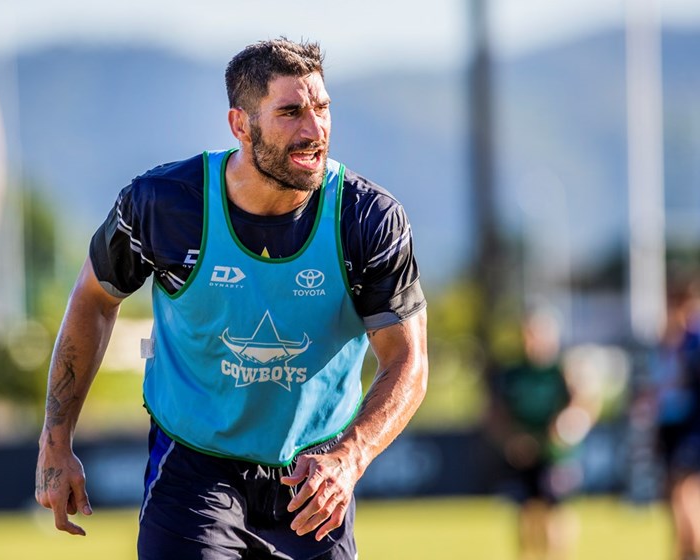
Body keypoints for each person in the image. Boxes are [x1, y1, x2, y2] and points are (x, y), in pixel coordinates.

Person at [35, 38, 429, 559]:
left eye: (322, 108)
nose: (314, 130)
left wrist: (349, 458)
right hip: (195, 473)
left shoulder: (369, 219)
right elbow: (92, 299)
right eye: (290, 112)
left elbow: (407, 360)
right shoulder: (164, 204)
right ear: (241, 125)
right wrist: (56, 440)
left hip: (315, 479)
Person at [485, 307, 598, 560]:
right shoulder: (512, 373)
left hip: (557, 455)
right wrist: (511, 440)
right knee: (526, 515)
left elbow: (585, 403)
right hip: (524, 454)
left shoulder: (563, 369)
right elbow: (495, 415)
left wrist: (568, 424)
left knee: (556, 514)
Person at [642, 276, 700, 560]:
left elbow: (685, 383)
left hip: (691, 427)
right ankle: (683, 550)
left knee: (684, 493)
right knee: (676, 495)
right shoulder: (668, 341)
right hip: (670, 426)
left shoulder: (694, 341)